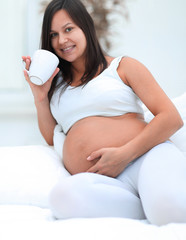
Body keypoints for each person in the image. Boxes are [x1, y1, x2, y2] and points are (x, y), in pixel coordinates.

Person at [22, 0, 186, 225]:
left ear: (86, 27)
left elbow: (171, 118)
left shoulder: (122, 66)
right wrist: (40, 96)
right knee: (62, 198)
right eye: (53, 34)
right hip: (103, 178)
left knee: (169, 211)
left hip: (144, 158)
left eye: (68, 29)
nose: (61, 40)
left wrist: (124, 155)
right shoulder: (56, 85)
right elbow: (51, 137)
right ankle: (145, 204)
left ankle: (157, 201)